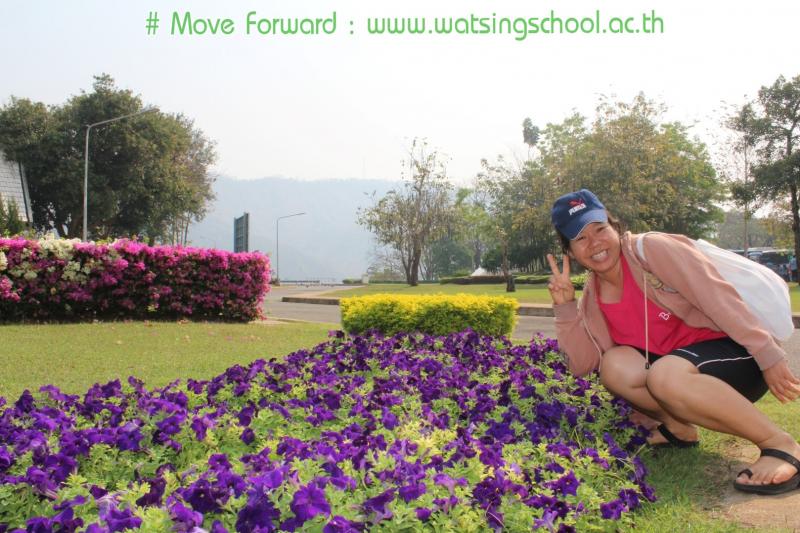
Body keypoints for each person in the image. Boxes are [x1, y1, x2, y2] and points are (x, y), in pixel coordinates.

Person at [546, 189, 800, 495]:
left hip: (739, 358)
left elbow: (718, 297)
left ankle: (780, 443)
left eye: (600, 229)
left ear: (615, 227)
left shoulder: (652, 250)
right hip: (681, 374)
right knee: (614, 365)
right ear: (570, 252)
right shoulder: (592, 298)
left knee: (664, 375)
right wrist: (565, 307)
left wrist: (767, 354)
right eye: (580, 238)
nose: (595, 242)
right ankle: (678, 428)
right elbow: (583, 365)